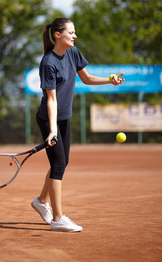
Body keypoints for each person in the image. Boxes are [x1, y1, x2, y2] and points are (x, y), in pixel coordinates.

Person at [31, 18, 124, 232]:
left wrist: (109, 81)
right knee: (58, 165)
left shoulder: (73, 53)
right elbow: (51, 100)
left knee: (62, 163)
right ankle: (57, 218)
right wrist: (52, 130)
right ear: (57, 35)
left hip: (64, 117)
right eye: (71, 32)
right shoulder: (48, 62)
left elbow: (87, 78)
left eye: (74, 33)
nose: (75, 36)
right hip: (48, 119)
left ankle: (41, 201)